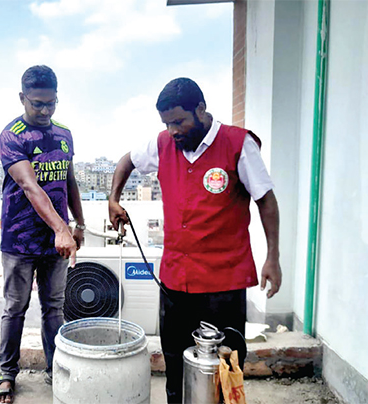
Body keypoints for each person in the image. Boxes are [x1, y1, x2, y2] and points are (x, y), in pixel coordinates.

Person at [109, 78, 282, 403]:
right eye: (167, 123)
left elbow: (266, 201)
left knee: (225, 365)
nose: (173, 130)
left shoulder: (237, 144)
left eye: (179, 121)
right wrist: (113, 199)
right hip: (176, 281)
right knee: (175, 361)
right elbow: (126, 160)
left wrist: (272, 257)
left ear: (200, 110)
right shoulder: (162, 144)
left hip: (223, 283)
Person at [0, 65, 85, 404]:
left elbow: (69, 181)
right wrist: (62, 229)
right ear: (22, 98)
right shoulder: (11, 135)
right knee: (15, 307)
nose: (45, 111)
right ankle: (7, 373)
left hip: (56, 242)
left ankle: (56, 368)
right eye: (37, 104)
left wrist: (79, 224)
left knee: (54, 308)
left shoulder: (64, 133)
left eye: (51, 103)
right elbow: (29, 186)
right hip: (20, 239)